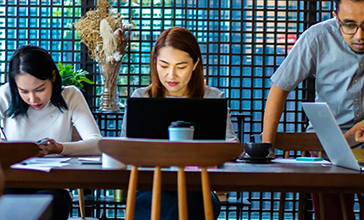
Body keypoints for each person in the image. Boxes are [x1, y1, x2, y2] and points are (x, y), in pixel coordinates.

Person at [121, 26, 238, 220]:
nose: (171, 75)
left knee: (189, 203)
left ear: (195, 64)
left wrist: (229, 148)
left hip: (198, 188)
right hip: (148, 188)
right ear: (154, 63)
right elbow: (125, 147)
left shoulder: (212, 98)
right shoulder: (141, 98)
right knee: (168, 207)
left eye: (181, 67)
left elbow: (230, 145)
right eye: (164, 66)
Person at [262, 0, 364, 219]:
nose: (359, 35)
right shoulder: (317, 37)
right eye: (349, 25)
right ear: (335, 17)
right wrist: (266, 146)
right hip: (326, 146)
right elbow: (280, 87)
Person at [1, 45, 102, 220]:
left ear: (53, 77)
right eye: (24, 91)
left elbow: (97, 144)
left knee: (54, 201)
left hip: (54, 184)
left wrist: (60, 148)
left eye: (40, 89)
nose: (33, 99)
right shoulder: (5, 95)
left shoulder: (70, 96)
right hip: (12, 181)